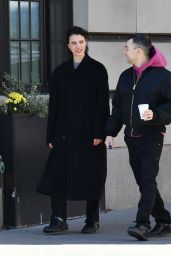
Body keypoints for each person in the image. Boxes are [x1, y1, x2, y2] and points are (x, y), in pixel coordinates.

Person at [37, 26, 109, 234]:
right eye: (73, 43)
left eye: (81, 42)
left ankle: (92, 219)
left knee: (91, 175)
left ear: (86, 42)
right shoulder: (60, 72)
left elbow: (102, 105)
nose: (78, 46)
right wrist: (50, 135)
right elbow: (54, 106)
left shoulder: (97, 69)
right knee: (58, 176)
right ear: (67, 46)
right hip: (63, 134)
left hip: (89, 134)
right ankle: (58, 219)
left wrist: (99, 133)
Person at [105, 33, 171, 241]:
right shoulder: (126, 76)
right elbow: (117, 108)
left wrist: (156, 114)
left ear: (139, 51)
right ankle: (164, 220)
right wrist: (109, 132)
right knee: (143, 182)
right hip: (131, 136)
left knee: (148, 180)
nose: (124, 51)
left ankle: (142, 223)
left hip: (152, 135)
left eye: (127, 48)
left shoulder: (163, 77)